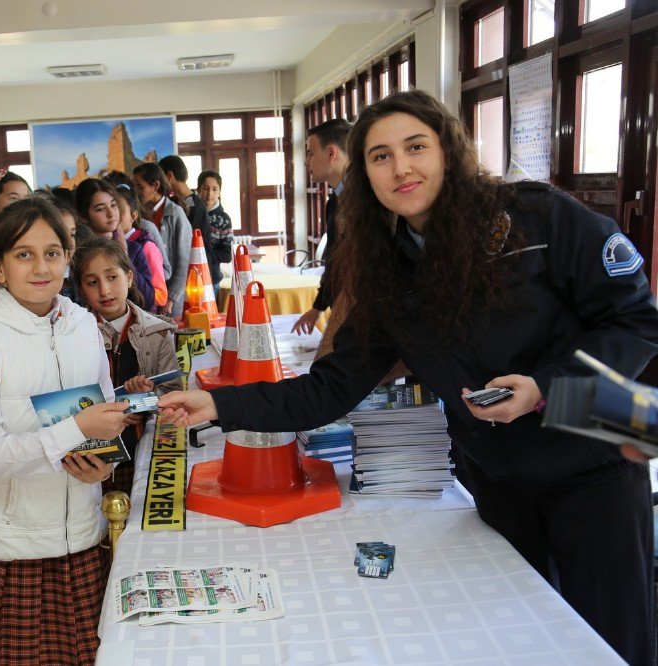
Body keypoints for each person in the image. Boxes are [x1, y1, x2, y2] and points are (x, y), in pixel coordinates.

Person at [158, 90, 658, 666]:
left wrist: (545, 386)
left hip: (594, 458)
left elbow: (637, 320)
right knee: (523, 632)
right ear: (362, 173)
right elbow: (330, 388)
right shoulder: (386, 269)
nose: (401, 167)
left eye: (415, 147)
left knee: (613, 642)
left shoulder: (536, 217)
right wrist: (221, 407)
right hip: (496, 475)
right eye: (379, 156)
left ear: (447, 149)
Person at [0, 197, 129, 664]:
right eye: (23, 254)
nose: (41, 266)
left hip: (81, 532)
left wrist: (102, 464)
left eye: (52, 252)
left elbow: (104, 413)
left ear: (69, 258)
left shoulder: (83, 324)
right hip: (12, 545)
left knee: (90, 655)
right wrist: (76, 427)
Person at [70, 236, 178, 496]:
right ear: (82, 289)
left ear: (129, 278)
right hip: (91, 454)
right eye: (92, 283)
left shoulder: (157, 331)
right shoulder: (72, 334)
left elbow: (173, 394)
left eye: (112, 278)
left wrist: (144, 400)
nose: (105, 291)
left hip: (137, 451)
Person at [291, 119, 352, 336]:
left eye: (310, 153)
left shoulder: (367, 199)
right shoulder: (335, 201)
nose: (306, 162)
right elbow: (333, 260)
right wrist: (318, 307)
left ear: (331, 153)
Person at [74, 178, 156, 311]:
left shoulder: (133, 249)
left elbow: (148, 300)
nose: (111, 213)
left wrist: (124, 256)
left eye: (113, 205)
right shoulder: (80, 255)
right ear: (83, 216)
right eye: (100, 209)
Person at [132, 162, 191, 316]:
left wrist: (171, 297)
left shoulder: (175, 213)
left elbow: (184, 260)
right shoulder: (139, 213)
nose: (136, 192)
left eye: (140, 186)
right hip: (148, 294)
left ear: (155, 186)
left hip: (170, 296)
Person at [113, 185, 169, 310]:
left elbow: (161, 295)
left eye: (119, 209)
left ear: (134, 215)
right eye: (112, 207)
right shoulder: (109, 244)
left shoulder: (146, 247)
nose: (113, 214)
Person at [196, 170, 235, 298]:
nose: (210, 194)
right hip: (187, 279)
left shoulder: (224, 219)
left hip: (211, 280)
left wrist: (200, 255)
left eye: (214, 189)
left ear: (219, 192)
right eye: (206, 188)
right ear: (198, 189)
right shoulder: (189, 213)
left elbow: (227, 255)